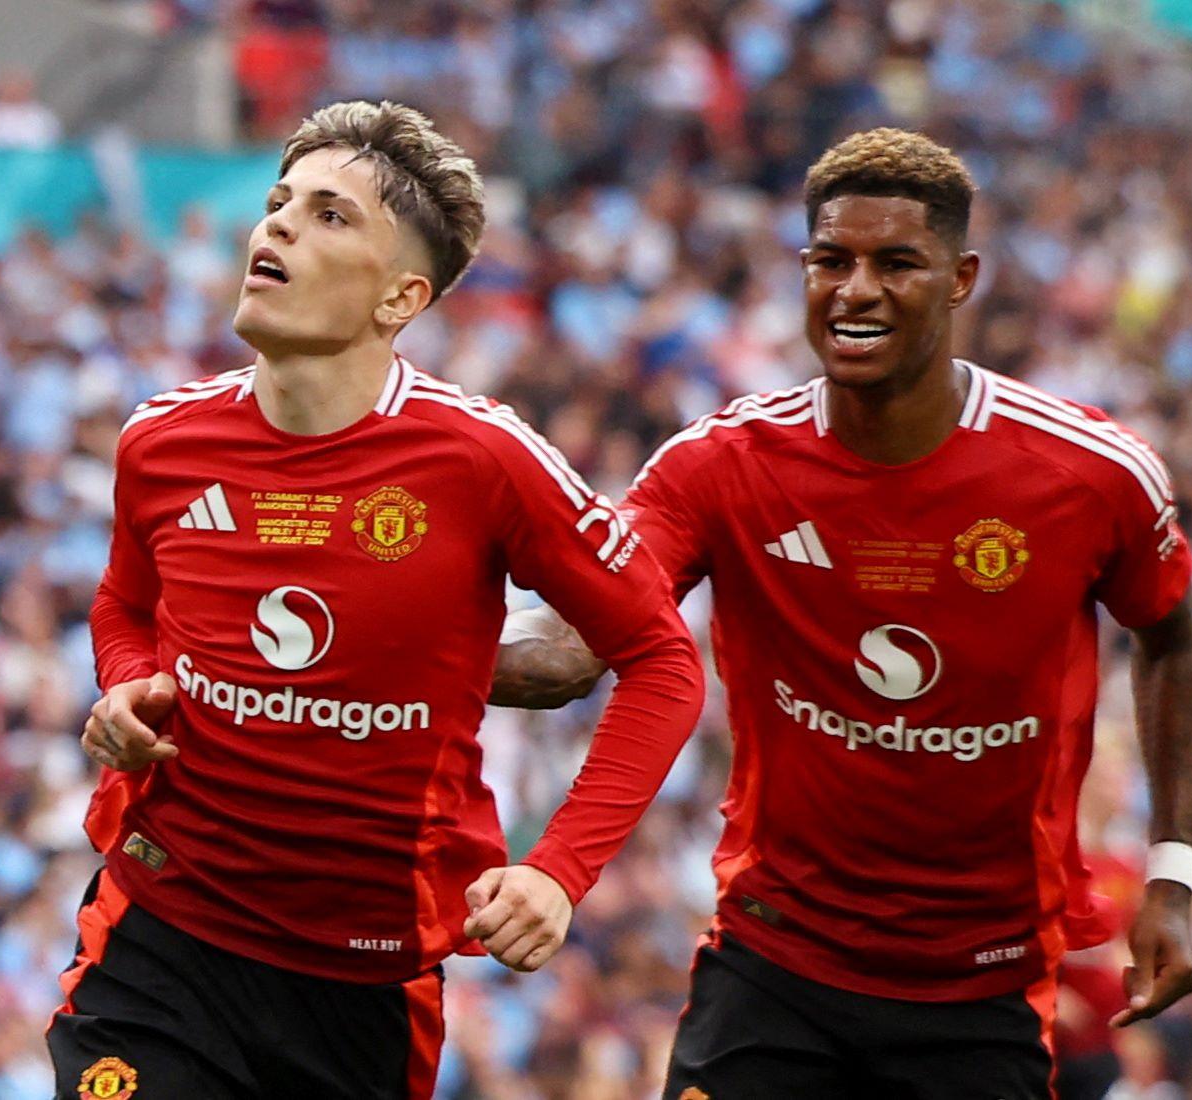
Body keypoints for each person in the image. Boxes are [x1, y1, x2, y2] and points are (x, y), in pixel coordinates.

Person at [493, 128, 1192, 1098]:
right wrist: (393, 647)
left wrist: (1172, 872)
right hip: (773, 962)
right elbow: (576, 643)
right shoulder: (721, 466)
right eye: (830, 261)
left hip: (982, 984)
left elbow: (1174, 637)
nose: (856, 290)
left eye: (896, 264)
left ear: (960, 279)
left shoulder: (1088, 474)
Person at [48, 99, 705, 1100]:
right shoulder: (162, 439)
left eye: (329, 215)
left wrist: (558, 868)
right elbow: (124, 603)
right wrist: (130, 682)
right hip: (160, 938)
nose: (278, 227)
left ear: (401, 296)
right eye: (279, 203)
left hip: (364, 983)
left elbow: (662, 660)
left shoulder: (484, 458)